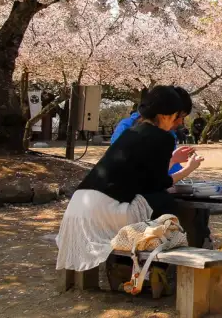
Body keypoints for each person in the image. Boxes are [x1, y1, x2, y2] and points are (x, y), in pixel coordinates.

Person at [56, 86, 205, 273]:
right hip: (105, 213)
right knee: (165, 202)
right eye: (178, 116)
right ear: (167, 115)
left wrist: (173, 159)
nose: (179, 122)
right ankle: (154, 264)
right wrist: (189, 169)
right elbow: (159, 183)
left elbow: (141, 175)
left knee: (155, 198)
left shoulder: (132, 132)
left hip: (79, 207)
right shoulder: (162, 137)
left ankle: (134, 265)